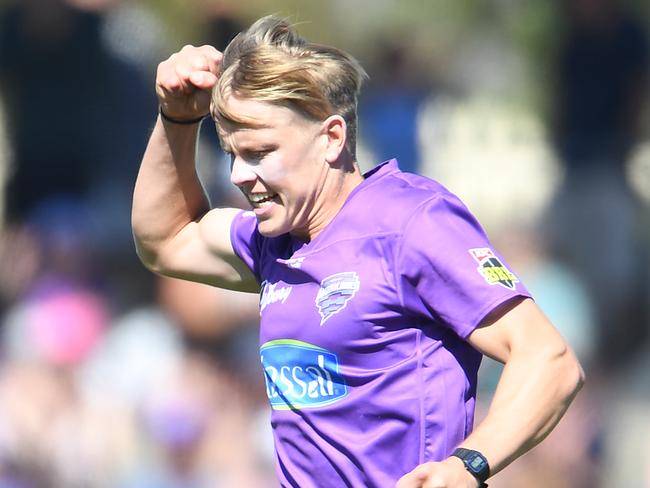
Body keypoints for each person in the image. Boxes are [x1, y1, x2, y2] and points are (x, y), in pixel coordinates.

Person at [132, 15, 584, 488]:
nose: (239, 175)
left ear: (331, 137)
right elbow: (165, 241)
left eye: (260, 152)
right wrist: (177, 118)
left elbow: (548, 360)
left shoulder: (411, 223)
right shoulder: (275, 242)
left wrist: (467, 466)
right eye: (232, 155)